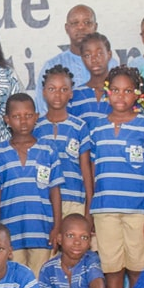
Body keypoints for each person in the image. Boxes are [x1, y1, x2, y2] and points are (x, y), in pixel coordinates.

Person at [86, 66, 144, 288]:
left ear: (137, 95)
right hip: (104, 209)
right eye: (115, 90)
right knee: (112, 267)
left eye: (128, 90)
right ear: (107, 92)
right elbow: (90, 172)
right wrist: (90, 207)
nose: (121, 96)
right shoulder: (97, 127)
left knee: (138, 266)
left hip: (139, 209)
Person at [0, 93, 62, 274]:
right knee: (15, 279)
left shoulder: (48, 150)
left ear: (36, 117)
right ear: (7, 119)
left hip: (42, 229)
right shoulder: (0, 152)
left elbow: (55, 191)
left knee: (39, 280)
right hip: (10, 231)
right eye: (16, 116)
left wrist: (57, 227)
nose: (23, 121)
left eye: (28, 116)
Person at [34, 4, 117, 114]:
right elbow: (43, 109)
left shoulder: (111, 64)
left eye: (87, 22)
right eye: (75, 23)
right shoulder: (52, 66)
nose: (81, 27)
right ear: (67, 28)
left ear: (95, 27)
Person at [33, 65, 92, 219]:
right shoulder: (35, 126)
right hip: (44, 200)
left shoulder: (79, 127)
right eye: (52, 89)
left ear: (71, 94)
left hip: (74, 200)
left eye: (64, 89)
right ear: (44, 92)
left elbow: (86, 169)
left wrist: (89, 207)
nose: (58, 95)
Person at [68, 33, 116, 124]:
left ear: (109, 55)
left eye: (99, 54)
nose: (94, 60)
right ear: (82, 59)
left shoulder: (120, 92)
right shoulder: (74, 96)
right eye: (87, 55)